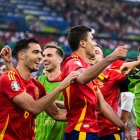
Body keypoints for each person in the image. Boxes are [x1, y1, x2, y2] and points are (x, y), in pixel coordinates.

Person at [61, 25, 132, 140]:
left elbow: (103, 105)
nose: (94, 43)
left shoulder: (88, 70)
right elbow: (82, 78)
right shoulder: (72, 62)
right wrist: (111, 57)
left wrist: (124, 128)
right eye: (92, 39)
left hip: (92, 131)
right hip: (80, 130)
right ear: (83, 43)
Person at [0, 38, 79, 140]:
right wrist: (61, 86)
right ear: (21, 55)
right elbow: (34, 108)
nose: (40, 57)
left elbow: (57, 114)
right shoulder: (7, 78)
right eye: (35, 52)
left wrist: (86, 115)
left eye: (40, 53)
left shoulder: (37, 86)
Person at [88, 45, 131, 140]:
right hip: (86, 131)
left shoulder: (113, 74)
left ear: (103, 59)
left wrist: (123, 116)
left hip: (109, 132)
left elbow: (129, 94)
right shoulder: (79, 79)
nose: (92, 55)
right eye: (90, 52)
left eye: (97, 53)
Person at [35, 42, 67, 140]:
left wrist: (53, 102)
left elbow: (76, 106)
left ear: (59, 59)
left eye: (49, 55)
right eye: (43, 55)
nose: (44, 58)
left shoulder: (68, 82)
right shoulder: (37, 81)